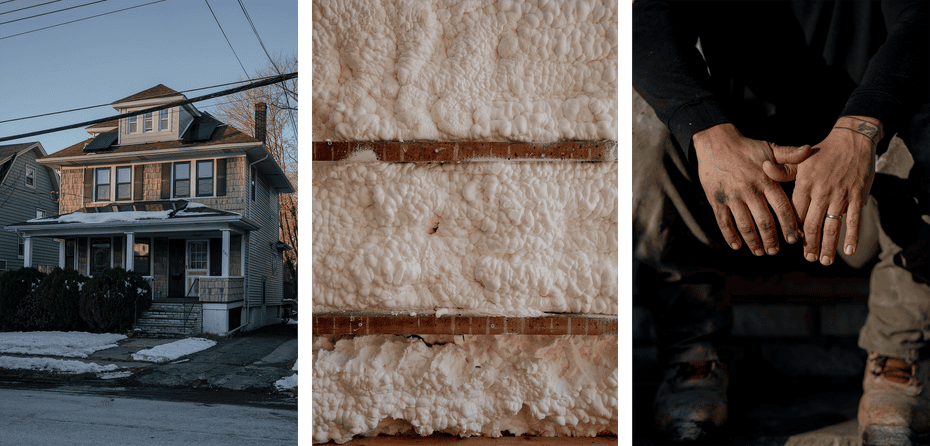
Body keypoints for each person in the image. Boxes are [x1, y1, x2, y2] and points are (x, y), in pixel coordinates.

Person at [632, 1, 930, 445]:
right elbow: (645, 21)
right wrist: (709, 133)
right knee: (655, 136)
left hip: (863, 188)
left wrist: (862, 126)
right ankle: (693, 359)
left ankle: (898, 360)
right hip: (742, 186)